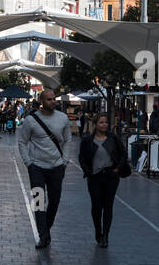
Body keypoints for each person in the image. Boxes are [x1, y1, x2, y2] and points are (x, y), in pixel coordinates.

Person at [18, 88, 71, 249]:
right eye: (49, 99)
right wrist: (29, 163)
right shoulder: (31, 120)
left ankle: (46, 229)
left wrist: (65, 161)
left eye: (54, 98)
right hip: (37, 168)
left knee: (54, 201)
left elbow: (68, 140)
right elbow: (22, 142)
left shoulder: (63, 118)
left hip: (56, 167)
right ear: (41, 101)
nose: (53, 101)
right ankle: (43, 235)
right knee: (39, 202)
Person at [78, 112, 129, 248]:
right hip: (94, 177)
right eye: (101, 122)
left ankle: (105, 235)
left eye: (106, 122)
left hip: (111, 176)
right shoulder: (88, 140)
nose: (104, 124)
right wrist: (87, 171)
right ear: (95, 124)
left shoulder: (113, 138)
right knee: (96, 206)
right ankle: (98, 230)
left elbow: (123, 153)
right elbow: (81, 157)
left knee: (108, 206)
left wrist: (117, 169)